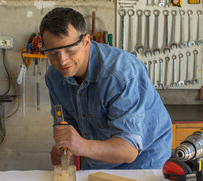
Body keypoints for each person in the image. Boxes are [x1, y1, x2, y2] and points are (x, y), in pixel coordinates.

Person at [40, 7, 172, 169]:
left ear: (86, 41)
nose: (62, 61)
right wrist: (64, 147)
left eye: (70, 50)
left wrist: (81, 146)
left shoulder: (120, 74)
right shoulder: (54, 77)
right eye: (53, 53)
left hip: (144, 159)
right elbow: (66, 125)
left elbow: (128, 150)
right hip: (99, 158)